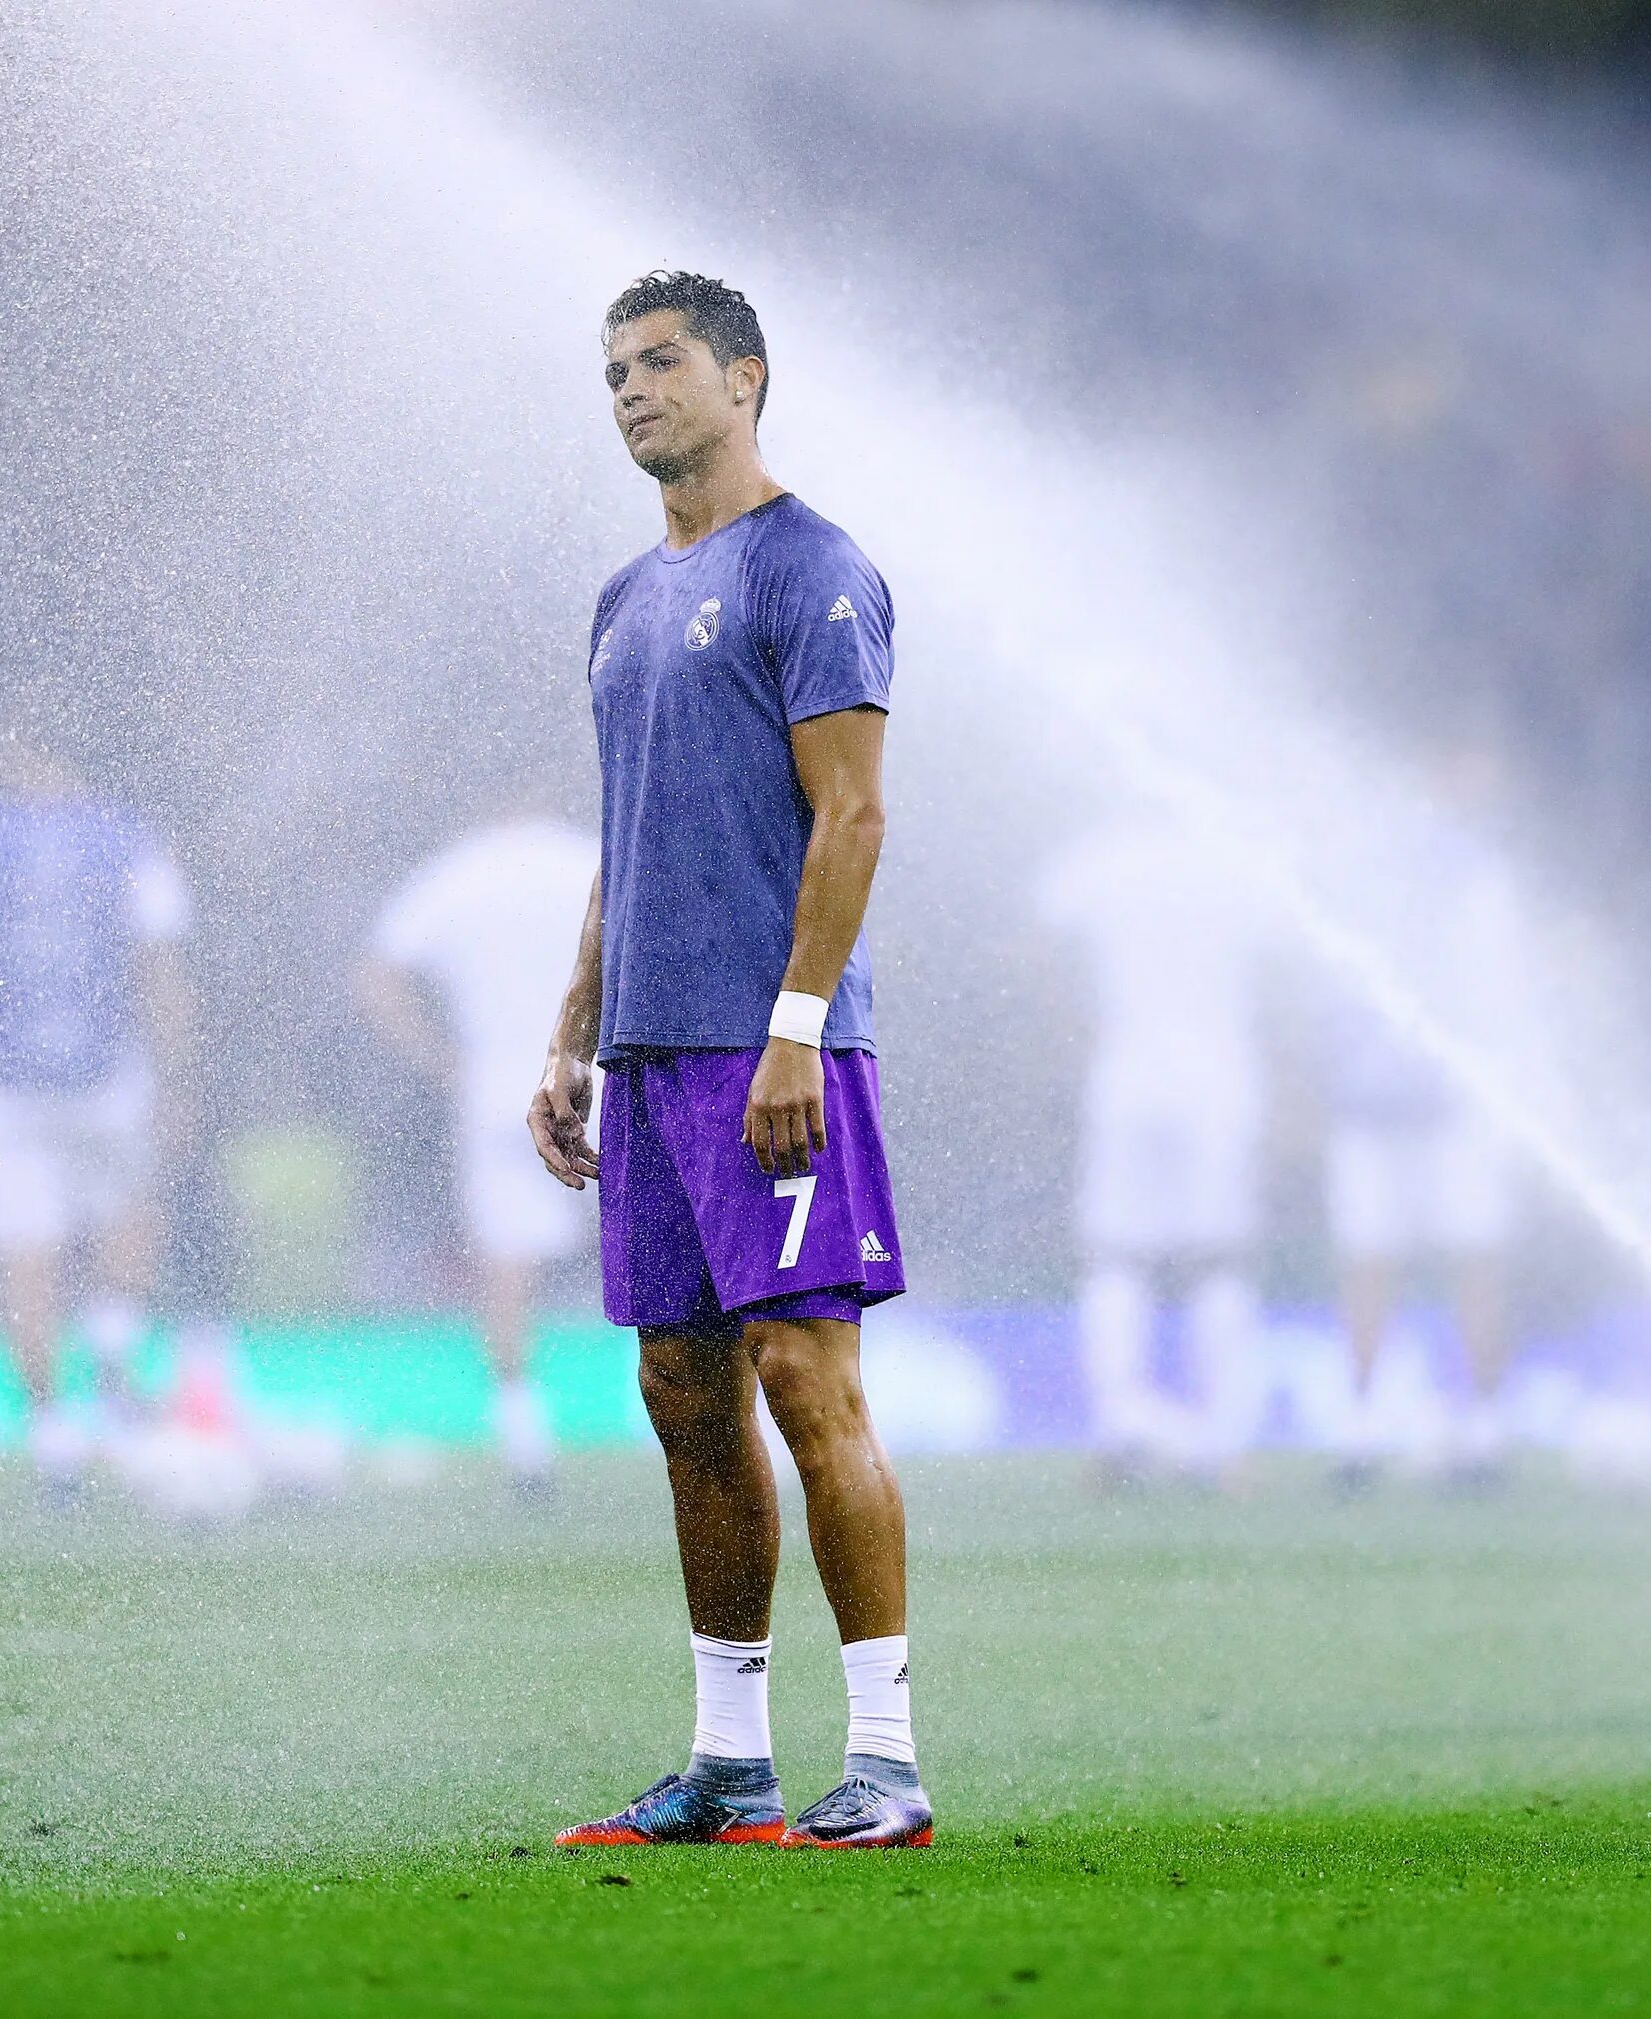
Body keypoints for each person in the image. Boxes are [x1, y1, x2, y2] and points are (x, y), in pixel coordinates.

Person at [531, 273, 922, 1851]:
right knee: (684, 1390)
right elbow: (629, 837)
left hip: (777, 1053)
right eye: (615, 367)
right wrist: (573, 1029)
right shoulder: (627, 599)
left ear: (746, 378)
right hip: (652, 1055)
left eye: (663, 361)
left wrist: (796, 1029)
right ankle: (730, 1763)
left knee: (806, 1379)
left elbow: (854, 813)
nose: (631, 389)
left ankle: (887, 1761)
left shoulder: (814, 569)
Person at [0, 726, 195, 1500]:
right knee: (132, 1218)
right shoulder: (125, 837)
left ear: (9, 758)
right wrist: (176, 1081)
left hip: (0, 1083)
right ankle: (109, 1364)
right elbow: (158, 965)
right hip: (105, 1074)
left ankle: (52, 1439)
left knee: (24, 1257)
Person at [360, 801, 599, 1494]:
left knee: (505, 1261)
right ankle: (734, 1419)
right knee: (673, 1238)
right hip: (604, 1073)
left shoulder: (459, 872)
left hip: (504, 1087)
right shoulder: (587, 857)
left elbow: (377, 975)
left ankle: (526, 1443)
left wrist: (441, 1060)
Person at [1036, 811, 1275, 1485]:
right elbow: (1276, 968)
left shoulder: (1102, 856)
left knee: (1117, 1256)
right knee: (1220, 1260)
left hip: (1128, 1075)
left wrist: (1077, 1034)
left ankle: (1117, 1429)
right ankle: (1227, 1445)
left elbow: (1045, 948)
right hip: (1219, 1079)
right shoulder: (1237, 858)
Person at [1323, 737, 1530, 1483]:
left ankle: (1377, 1432)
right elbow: (1500, 991)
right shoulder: (1475, 874)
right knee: (1453, 1259)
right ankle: (1468, 1433)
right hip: (1431, 1099)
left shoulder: (1358, 861)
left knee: (1397, 1262)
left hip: (1390, 1098)